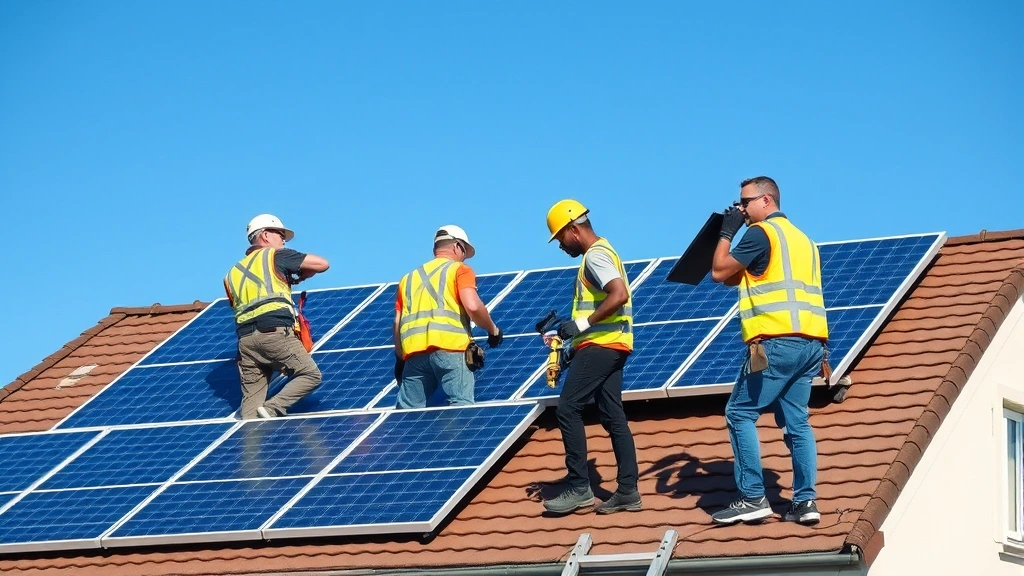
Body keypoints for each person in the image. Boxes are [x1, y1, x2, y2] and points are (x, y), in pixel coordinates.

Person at [709, 176, 828, 526]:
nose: (740, 208)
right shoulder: (804, 240)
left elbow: (718, 272)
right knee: (797, 422)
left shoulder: (762, 234)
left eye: (745, 202)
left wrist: (726, 233)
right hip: (811, 346)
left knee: (739, 412)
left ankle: (752, 497)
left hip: (776, 343)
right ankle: (805, 503)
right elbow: (736, 276)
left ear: (766, 200)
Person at [541, 199, 641, 515]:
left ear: (574, 229)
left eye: (560, 238)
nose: (560, 245)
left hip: (601, 345)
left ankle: (579, 488)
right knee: (612, 415)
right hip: (612, 345)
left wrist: (582, 325)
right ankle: (627, 491)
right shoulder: (605, 252)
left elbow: (619, 293)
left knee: (568, 408)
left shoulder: (595, 257)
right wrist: (571, 343)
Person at [223, 214, 330, 419]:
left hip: (246, 343)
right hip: (274, 333)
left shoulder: (231, 274)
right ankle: (273, 408)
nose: (283, 240)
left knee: (250, 413)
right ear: (265, 235)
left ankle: (250, 447)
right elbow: (322, 264)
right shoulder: (275, 255)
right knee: (310, 375)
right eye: (280, 235)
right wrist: (303, 272)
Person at [393, 225, 503, 408]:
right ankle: (462, 437)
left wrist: (399, 359)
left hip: (414, 356)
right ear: (457, 246)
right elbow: (473, 306)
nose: (464, 258)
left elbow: (397, 324)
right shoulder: (459, 270)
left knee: (407, 413)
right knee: (461, 406)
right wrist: (493, 330)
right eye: (464, 253)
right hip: (451, 349)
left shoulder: (408, 279)